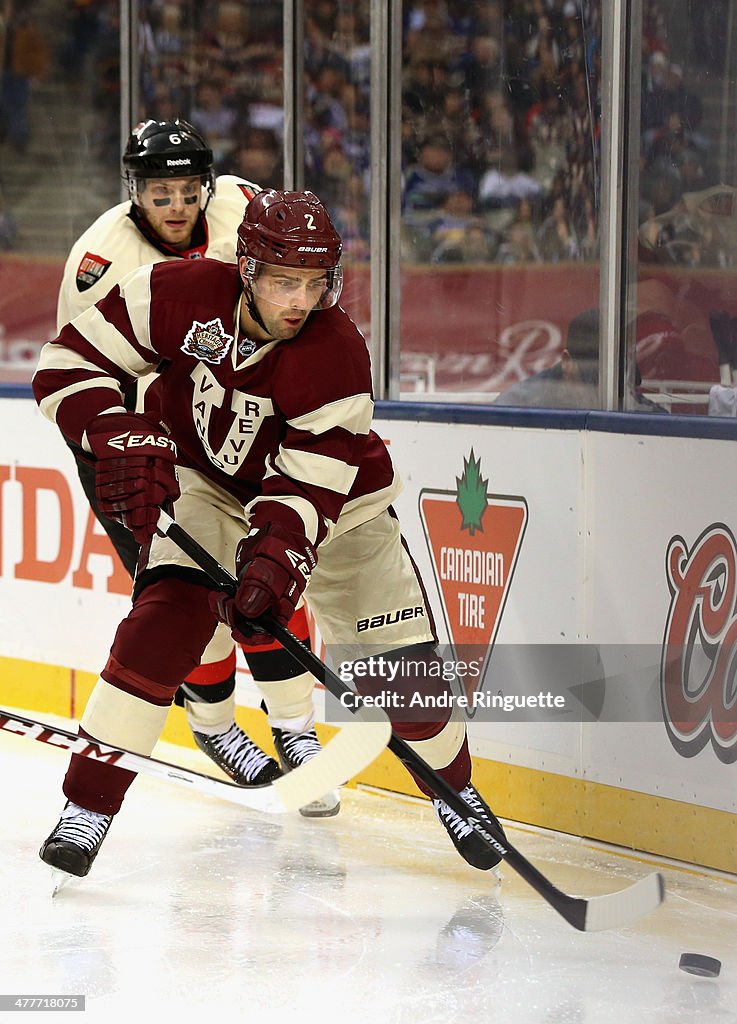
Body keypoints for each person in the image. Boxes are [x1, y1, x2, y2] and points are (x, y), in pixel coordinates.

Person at [32, 188, 506, 878]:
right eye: (285, 281)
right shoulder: (172, 291)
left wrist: (272, 565)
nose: (299, 302)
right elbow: (65, 364)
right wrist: (112, 427)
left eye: (316, 284)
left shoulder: (336, 352)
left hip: (343, 514)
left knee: (401, 672)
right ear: (245, 267)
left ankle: (456, 791)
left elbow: (307, 487)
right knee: (161, 625)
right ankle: (89, 806)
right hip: (210, 486)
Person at [57, 119, 337, 815]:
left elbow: (306, 285)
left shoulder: (245, 204)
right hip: (155, 450)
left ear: (207, 185)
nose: (177, 205)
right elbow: (87, 380)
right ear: (134, 193)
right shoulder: (98, 260)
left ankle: (295, 731)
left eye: (187, 190)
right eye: (160, 193)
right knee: (190, 602)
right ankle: (215, 727)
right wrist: (125, 465)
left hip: (244, 427)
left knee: (273, 577)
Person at [494, 309, 667, 411]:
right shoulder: (521, 406)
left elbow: (657, 419)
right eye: (594, 378)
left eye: (618, 379)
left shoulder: (626, 400)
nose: (606, 390)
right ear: (567, 363)